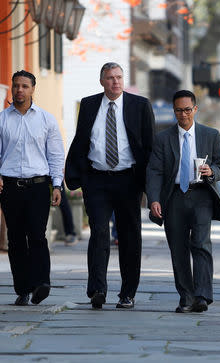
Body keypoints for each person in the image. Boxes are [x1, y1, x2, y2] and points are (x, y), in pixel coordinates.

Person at [65, 62, 155, 309]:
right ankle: (97, 290)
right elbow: (82, 140)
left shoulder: (140, 106)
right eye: (110, 78)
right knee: (99, 234)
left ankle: (127, 293)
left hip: (128, 179)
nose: (115, 82)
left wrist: (151, 186)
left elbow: (149, 147)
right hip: (97, 180)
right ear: (102, 81)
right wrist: (80, 175)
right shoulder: (89, 104)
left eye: (119, 77)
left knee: (129, 237)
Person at [0, 70, 64, 306]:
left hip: (38, 186)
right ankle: (23, 288)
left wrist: (57, 184)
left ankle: (42, 284)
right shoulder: (0, 121)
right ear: (11, 89)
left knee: (37, 235)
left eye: (25, 86)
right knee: (16, 239)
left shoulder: (46, 120)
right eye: (16, 86)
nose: (20, 90)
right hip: (10, 187)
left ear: (32, 89)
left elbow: (56, 155)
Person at [146, 90, 220, 314]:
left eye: (187, 110)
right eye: (179, 111)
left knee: (201, 244)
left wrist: (212, 171)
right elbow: (154, 171)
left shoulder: (211, 135)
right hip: (174, 197)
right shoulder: (163, 138)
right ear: (174, 111)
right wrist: (153, 199)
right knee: (178, 249)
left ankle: (202, 296)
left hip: (202, 195)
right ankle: (186, 296)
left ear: (195, 109)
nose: (183, 115)